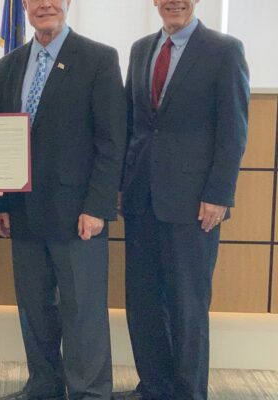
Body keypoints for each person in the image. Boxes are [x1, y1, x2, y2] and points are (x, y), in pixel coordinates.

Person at [0, 0, 126, 398]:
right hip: (23, 210)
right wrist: (0, 204)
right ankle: (44, 385)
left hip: (79, 214)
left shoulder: (98, 58)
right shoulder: (9, 65)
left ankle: (89, 392)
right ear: (25, 6)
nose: (45, 4)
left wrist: (97, 207)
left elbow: (112, 141)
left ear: (67, 4)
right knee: (35, 309)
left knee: (84, 312)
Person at [116, 1, 249, 399]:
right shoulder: (141, 49)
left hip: (194, 205)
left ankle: (189, 392)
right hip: (141, 200)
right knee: (143, 304)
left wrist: (218, 194)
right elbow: (132, 124)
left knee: (187, 308)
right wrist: (121, 185)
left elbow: (234, 130)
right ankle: (153, 387)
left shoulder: (224, 50)